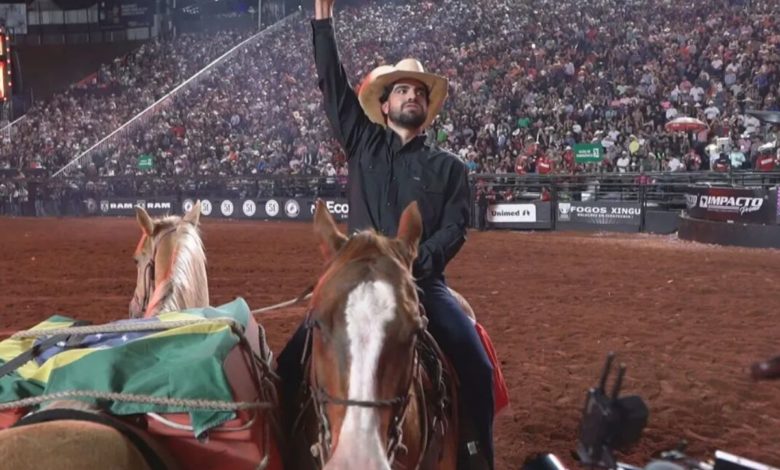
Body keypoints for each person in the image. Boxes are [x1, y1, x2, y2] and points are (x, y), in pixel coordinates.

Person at [275, 0, 495, 468]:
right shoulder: (362, 141)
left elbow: (456, 230)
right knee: (288, 364)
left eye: (418, 91)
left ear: (426, 107)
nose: (411, 96)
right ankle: (286, 448)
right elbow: (332, 86)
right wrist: (321, 21)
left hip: (421, 284)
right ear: (384, 104)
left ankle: (477, 453)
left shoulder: (450, 168)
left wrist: (411, 263)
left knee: (477, 365)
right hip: (355, 282)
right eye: (401, 90)